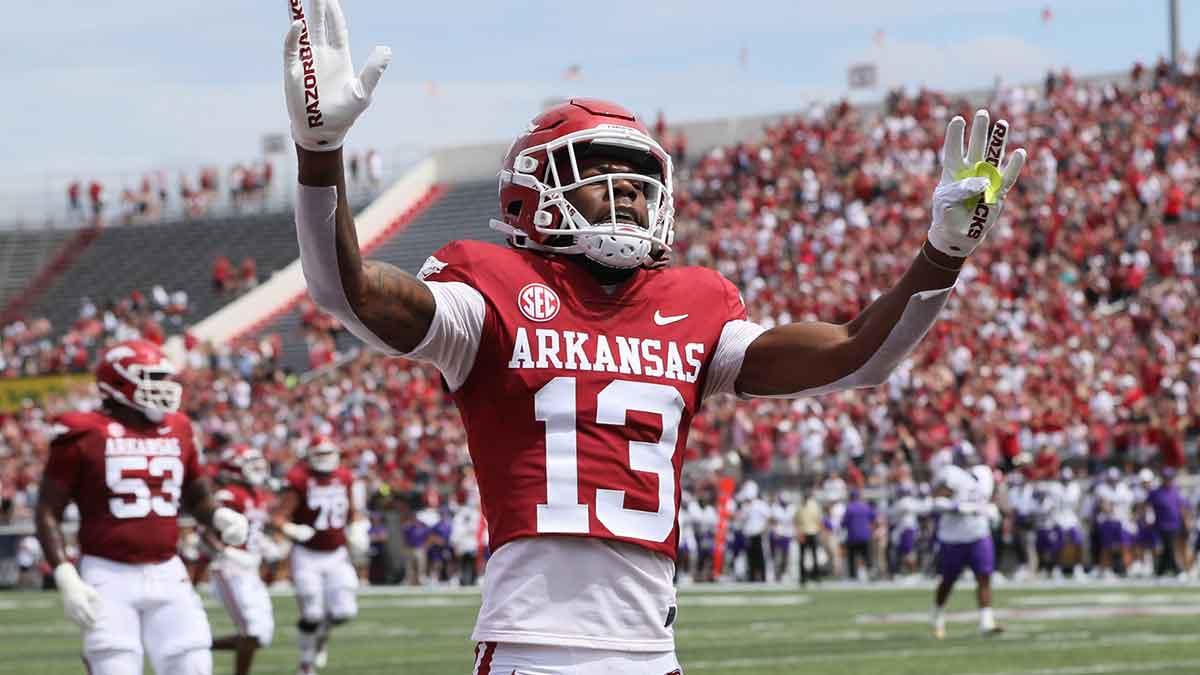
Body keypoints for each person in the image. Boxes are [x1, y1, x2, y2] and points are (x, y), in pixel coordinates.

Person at [282, 0, 1025, 668]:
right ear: (533, 189)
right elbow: (342, 290)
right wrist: (321, 155)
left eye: (640, 177)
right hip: (532, 648)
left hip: (653, 647)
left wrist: (942, 254)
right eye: (601, 171)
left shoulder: (695, 302)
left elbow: (857, 356)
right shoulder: (491, 287)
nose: (630, 191)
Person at [33, 340, 249, 675]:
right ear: (117, 382)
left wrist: (218, 515)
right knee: (115, 667)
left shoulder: (177, 427)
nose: (163, 386)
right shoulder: (84, 432)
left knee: (193, 664)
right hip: (107, 573)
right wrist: (65, 574)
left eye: (165, 377)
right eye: (152, 377)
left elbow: (196, 494)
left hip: (168, 569)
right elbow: (48, 510)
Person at [272, 436, 370, 675]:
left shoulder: (345, 477)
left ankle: (321, 636)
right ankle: (306, 664)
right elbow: (278, 517)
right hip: (307, 554)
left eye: (328, 454)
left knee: (345, 611)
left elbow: (353, 512)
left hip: (337, 554)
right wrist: (290, 529)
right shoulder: (300, 479)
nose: (325, 460)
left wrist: (357, 528)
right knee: (311, 613)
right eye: (320, 455)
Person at [207, 444, 275, 675]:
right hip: (229, 568)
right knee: (252, 631)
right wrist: (226, 552)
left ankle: (196, 646)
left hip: (250, 568)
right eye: (250, 464)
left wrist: (267, 547)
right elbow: (205, 532)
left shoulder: (258, 494)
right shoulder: (228, 494)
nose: (257, 468)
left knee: (262, 636)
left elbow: (254, 531)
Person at [930, 448, 1004, 639]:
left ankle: (986, 622)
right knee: (948, 581)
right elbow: (936, 501)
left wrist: (992, 509)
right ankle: (938, 616)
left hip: (979, 533)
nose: (969, 461)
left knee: (984, 576)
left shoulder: (984, 473)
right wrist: (957, 507)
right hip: (954, 537)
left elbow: (989, 498)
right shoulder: (951, 474)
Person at [841, 489, 875, 581]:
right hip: (865, 535)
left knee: (852, 557)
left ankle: (853, 576)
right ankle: (870, 573)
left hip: (853, 536)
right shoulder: (866, 507)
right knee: (867, 556)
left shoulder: (849, 508)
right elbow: (873, 518)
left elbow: (843, 523)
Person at [795, 489, 823, 585]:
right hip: (804, 533)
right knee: (802, 556)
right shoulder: (800, 506)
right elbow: (797, 521)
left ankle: (816, 576)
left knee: (814, 555)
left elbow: (818, 520)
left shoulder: (813, 506)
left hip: (812, 532)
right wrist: (799, 533)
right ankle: (803, 577)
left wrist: (819, 531)